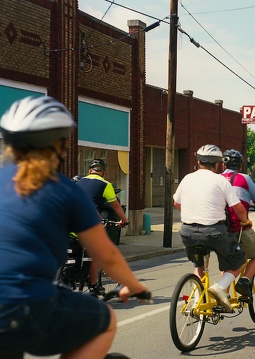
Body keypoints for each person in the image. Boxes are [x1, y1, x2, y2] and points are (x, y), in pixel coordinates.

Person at [0, 96, 148, 358]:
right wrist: (135, 286)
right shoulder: (64, 189)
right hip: (24, 305)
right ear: (56, 145)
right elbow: (108, 256)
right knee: (104, 322)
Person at [173, 144, 249, 312]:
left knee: (198, 262)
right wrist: (246, 222)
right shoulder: (220, 180)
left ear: (198, 161)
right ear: (218, 164)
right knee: (239, 260)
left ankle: (196, 301)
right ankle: (220, 288)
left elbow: (177, 203)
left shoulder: (187, 178)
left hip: (188, 232)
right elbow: (238, 208)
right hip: (214, 232)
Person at [221, 149, 255, 300]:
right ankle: (245, 281)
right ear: (240, 165)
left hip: (219, 228)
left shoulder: (217, 179)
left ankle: (221, 297)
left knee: (226, 264)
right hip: (238, 226)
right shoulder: (244, 178)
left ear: (223, 164)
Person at [77, 158, 130, 293]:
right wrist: (124, 220)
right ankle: (93, 285)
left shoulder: (79, 182)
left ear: (89, 171)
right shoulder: (105, 184)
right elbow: (116, 206)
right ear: (103, 173)